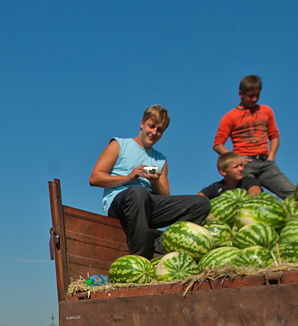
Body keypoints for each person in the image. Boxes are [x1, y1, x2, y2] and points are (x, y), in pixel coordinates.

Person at [89, 105, 210, 259]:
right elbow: (94, 178)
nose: (154, 132)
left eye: (159, 130)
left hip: (148, 203)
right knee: (139, 193)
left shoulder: (161, 160)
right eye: (151, 126)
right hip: (120, 203)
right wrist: (129, 177)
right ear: (142, 124)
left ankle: (160, 246)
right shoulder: (119, 145)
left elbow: (166, 194)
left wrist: (155, 182)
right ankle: (142, 256)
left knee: (202, 203)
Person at [213, 74, 295, 198]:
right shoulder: (229, 117)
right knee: (255, 198)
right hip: (245, 164)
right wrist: (237, 159)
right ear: (241, 94)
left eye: (257, 95)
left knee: (292, 193)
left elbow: (274, 136)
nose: (254, 99)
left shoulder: (266, 111)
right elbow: (218, 144)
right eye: (250, 96)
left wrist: (272, 155)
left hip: (265, 162)